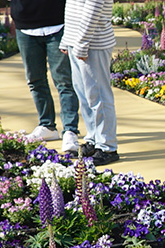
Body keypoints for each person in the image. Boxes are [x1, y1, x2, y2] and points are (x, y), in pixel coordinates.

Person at [10, 0, 81, 155]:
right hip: (25, 24)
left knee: (64, 81)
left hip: (58, 23)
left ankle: (70, 130)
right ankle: (47, 125)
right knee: (35, 81)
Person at [60, 0, 119, 166]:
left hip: (93, 43)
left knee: (99, 96)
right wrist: (67, 39)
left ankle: (107, 147)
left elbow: (94, 6)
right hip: (77, 42)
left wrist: (82, 43)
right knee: (85, 96)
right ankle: (94, 140)